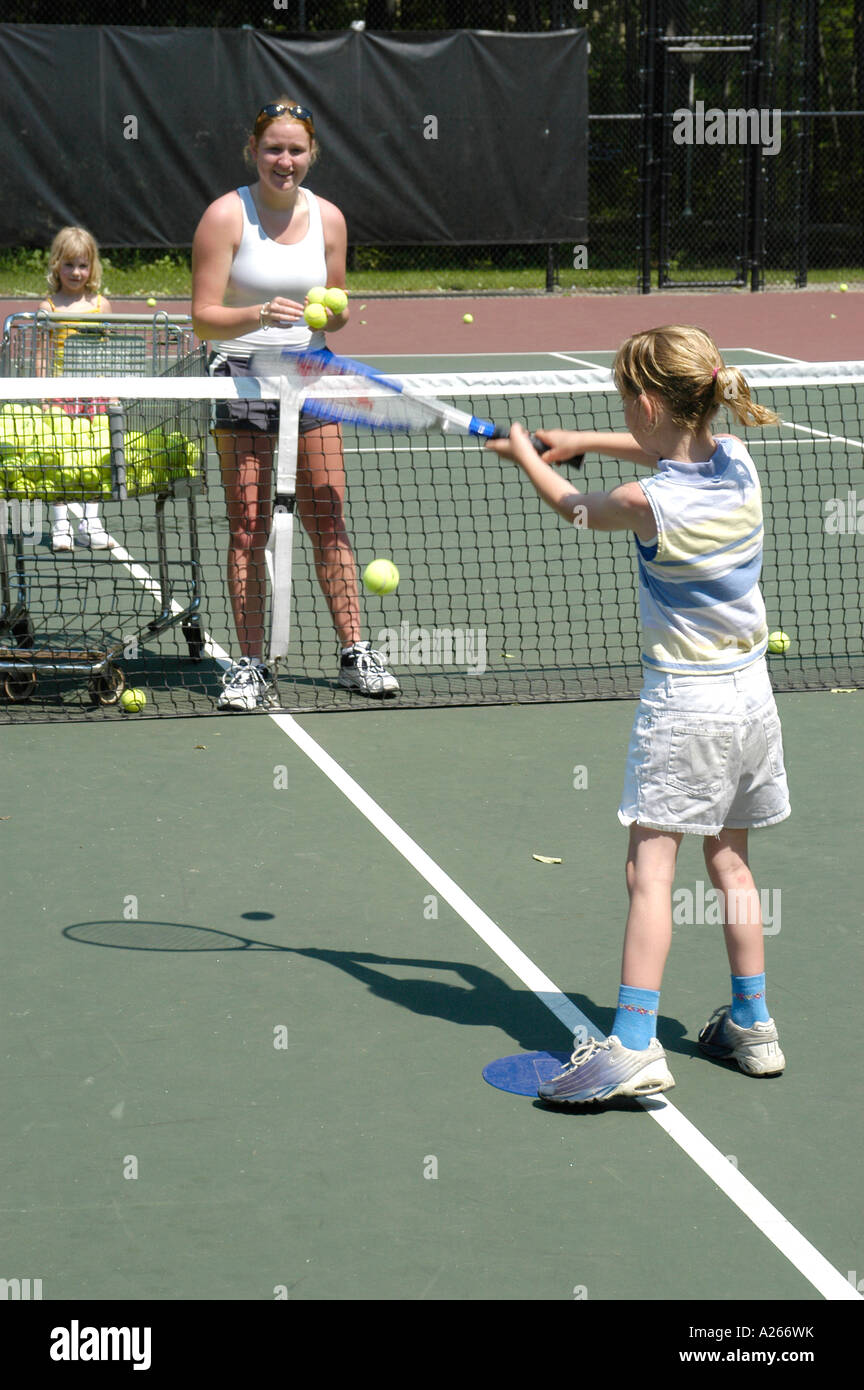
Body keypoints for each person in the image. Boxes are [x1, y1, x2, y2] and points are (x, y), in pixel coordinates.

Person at [486, 325, 790, 1105]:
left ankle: (631, 1042)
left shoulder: (643, 502)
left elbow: (573, 509)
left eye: (625, 402)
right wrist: (579, 437)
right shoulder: (739, 461)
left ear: (648, 403)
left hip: (686, 705)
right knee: (730, 862)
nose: (624, 413)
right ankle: (753, 1024)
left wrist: (527, 455)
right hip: (752, 698)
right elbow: (664, 452)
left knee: (649, 872)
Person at [191, 98, 399, 710]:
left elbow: (336, 302)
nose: (285, 161)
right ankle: (249, 663)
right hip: (242, 382)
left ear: (312, 154)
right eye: (273, 149)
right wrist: (257, 314)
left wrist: (332, 309)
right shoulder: (225, 216)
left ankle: (355, 651)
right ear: (253, 152)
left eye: (296, 150)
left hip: (312, 379)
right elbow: (202, 318)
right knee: (248, 527)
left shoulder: (329, 218)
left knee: (328, 519)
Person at [38, 226, 115, 552]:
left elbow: (109, 351)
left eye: (82, 265)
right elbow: (41, 353)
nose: (76, 272)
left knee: (95, 456)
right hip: (60, 394)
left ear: (92, 267)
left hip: (93, 394)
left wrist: (110, 389)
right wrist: (43, 392)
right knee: (59, 457)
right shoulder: (49, 307)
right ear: (57, 265)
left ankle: (90, 523)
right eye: (69, 264)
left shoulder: (101, 305)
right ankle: (60, 527)